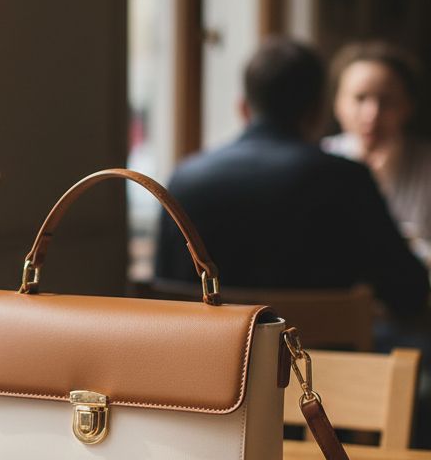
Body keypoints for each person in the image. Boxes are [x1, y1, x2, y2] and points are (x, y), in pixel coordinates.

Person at [154, 37, 429, 319]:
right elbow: (409, 291)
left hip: (212, 346)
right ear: (319, 110)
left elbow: (163, 292)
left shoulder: (184, 179)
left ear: (243, 108)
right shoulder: (346, 179)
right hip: (317, 346)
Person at [323, 39, 431, 268]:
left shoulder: (426, 165)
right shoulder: (319, 161)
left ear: (408, 106)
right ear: (337, 104)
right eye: (360, 98)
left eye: (386, 101)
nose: (372, 114)